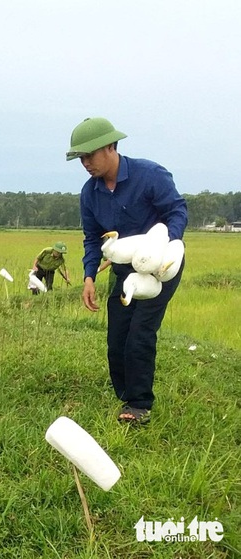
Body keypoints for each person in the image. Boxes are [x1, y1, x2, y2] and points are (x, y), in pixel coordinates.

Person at [67, 117, 187, 426]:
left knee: (140, 333)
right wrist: (89, 277)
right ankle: (125, 393)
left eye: (89, 155)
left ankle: (139, 404)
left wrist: (165, 247)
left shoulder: (150, 175)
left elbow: (177, 211)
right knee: (117, 336)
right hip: (123, 270)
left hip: (160, 269)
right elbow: (92, 238)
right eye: (80, 158)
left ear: (110, 147)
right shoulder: (89, 193)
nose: (85, 163)